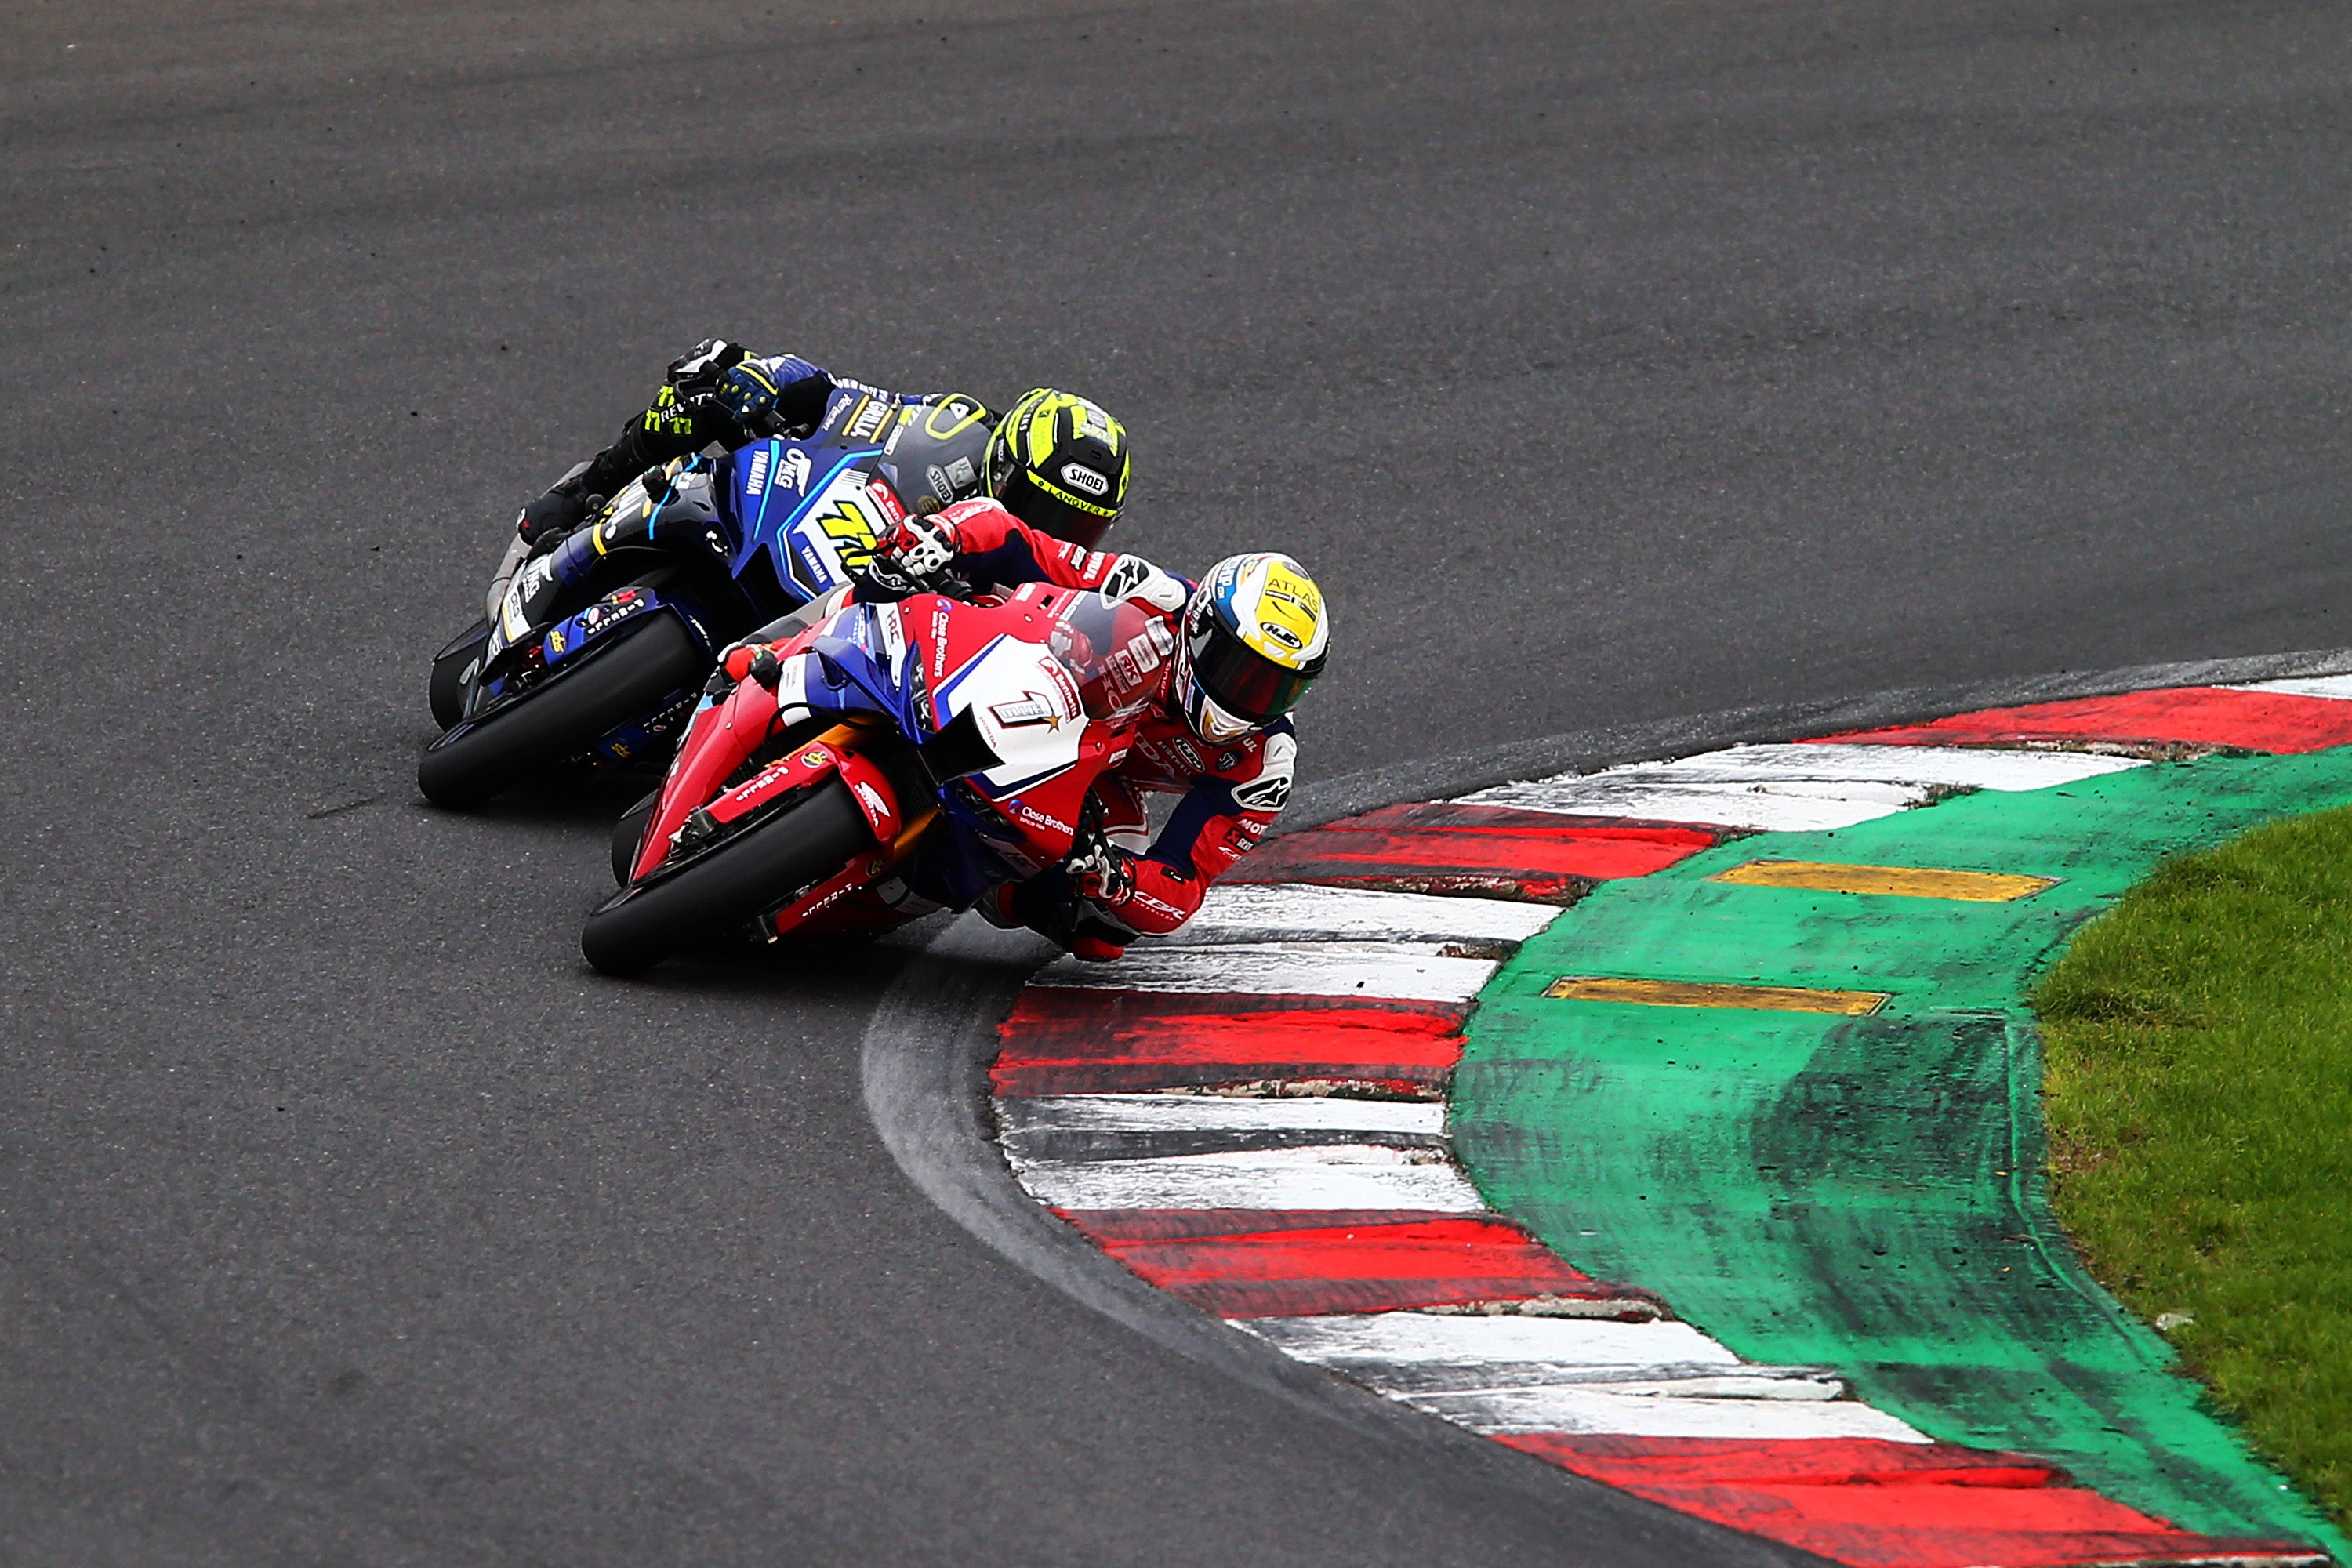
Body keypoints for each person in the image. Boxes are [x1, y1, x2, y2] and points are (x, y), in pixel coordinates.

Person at [862, 498, 1328, 960]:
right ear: (1202, 628)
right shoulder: (1152, 595)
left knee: (1101, 931)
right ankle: (789, 657)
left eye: (1276, 688)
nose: (1249, 699)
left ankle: (981, 884)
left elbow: (1182, 884)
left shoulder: (1264, 762)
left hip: (1098, 774)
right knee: (876, 591)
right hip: (1043, 687)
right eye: (1239, 671)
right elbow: (1019, 540)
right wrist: (945, 536)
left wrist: (1117, 880)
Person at [509, 338, 1134, 556]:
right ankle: (589, 486)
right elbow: (844, 396)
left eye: (1080, 525)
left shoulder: (1050, 580)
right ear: (1005, 464)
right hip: (819, 528)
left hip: (857, 625)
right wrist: (768, 379)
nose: (1052, 529)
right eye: (1043, 505)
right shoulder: (954, 433)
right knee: (711, 386)